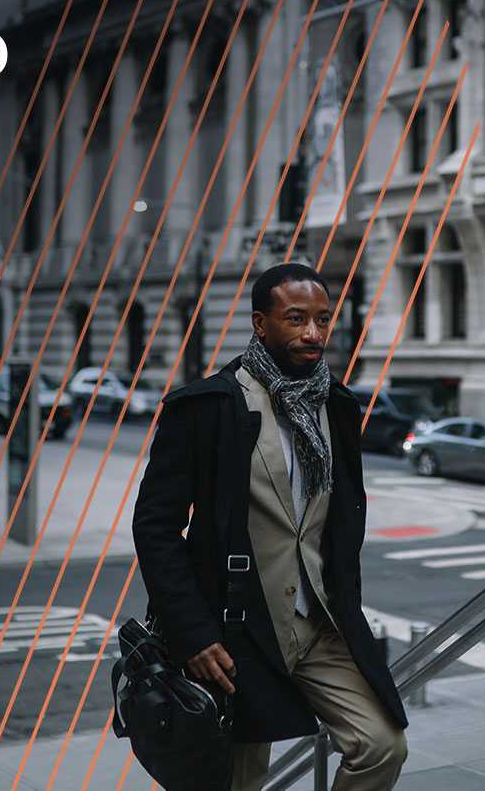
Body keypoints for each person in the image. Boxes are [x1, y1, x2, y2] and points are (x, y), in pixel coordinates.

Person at [133, 263, 408, 791]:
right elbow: (155, 526)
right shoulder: (209, 407)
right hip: (236, 632)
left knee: (381, 745)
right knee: (239, 779)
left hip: (319, 624)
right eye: (296, 319)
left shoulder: (337, 405)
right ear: (261, 324)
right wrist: (193, 633)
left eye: (323, 320)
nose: (313, 334)